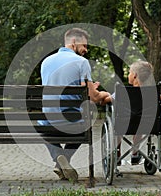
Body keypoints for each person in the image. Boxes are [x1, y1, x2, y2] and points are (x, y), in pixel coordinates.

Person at [40, 28, 110, 181]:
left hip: (48, 122)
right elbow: (93, 97)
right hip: (71, 122)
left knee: (41, 126)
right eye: (84, 45)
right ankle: (63, 159)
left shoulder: (46, 62)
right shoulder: (81, 62)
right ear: (73, 42)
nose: (85, 50)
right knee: (86, 124)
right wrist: (104, 94)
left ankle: (59, 157)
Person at [102, 60, 161, 165]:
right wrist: (158, 98)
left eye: (129, 72)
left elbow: (105, 101)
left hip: (124, 124)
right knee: (139, 124)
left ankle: (117, 153)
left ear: (134, 75)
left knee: (119, 124)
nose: (129, 74)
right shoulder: (152, 93)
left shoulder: (123, 93)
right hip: (148, 125)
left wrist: (104, 96)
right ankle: (135, 153)